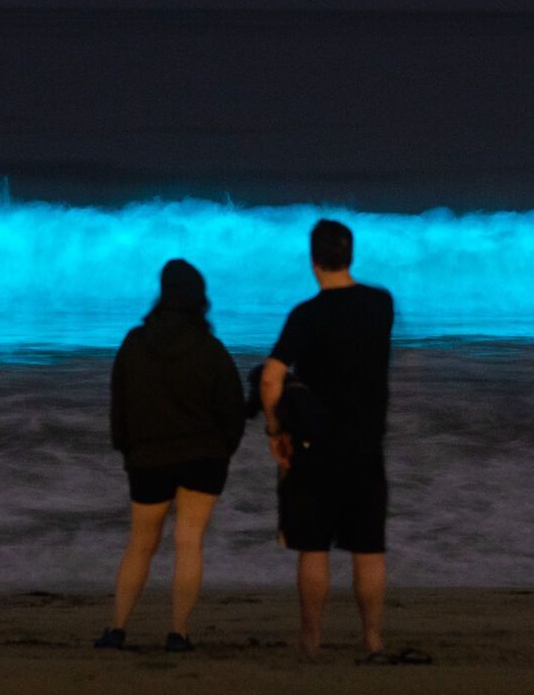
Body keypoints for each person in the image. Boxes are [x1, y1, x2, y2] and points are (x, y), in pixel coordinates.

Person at [259, 219, 395, 656]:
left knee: (313, 547)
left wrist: (275, 429)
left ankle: (312, 639)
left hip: (314, 445)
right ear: (349, 255)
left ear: (312, 260)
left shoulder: (305, 315)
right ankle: (372, 638)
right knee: (368, 548)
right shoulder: (381, 305)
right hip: (366, 445)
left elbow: (270, 378)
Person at [96, 258, 247, 652]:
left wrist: (128, 448)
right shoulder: (211, 349)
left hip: (148, 458)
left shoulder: (134, 343)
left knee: (141, 542)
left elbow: (120, 405)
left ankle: (117, 629)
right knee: (189, 541)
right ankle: (178, 633)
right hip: (204, 457)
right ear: (200, 299)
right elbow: (232, 409)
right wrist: (223, 450)